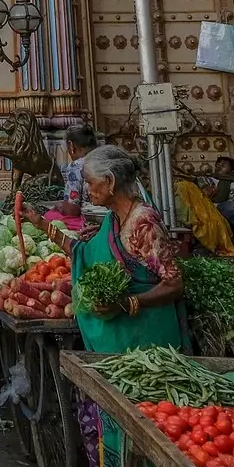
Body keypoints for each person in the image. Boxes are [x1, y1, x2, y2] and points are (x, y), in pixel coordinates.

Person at [70, 146, 184, 354]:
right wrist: (41, 224)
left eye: (90, 182)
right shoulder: (114, 219)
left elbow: (174, 285)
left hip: (149, 341)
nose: (87, 189)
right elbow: (89, 252)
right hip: (123, 341)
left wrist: (128, 302)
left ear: (110, 181)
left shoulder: (143, 223)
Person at [59, 123, 99, 215]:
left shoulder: (76, 166)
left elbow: (72, 209)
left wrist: (60, 207)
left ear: (71, 145)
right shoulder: (108, 157)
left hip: (92, 217)